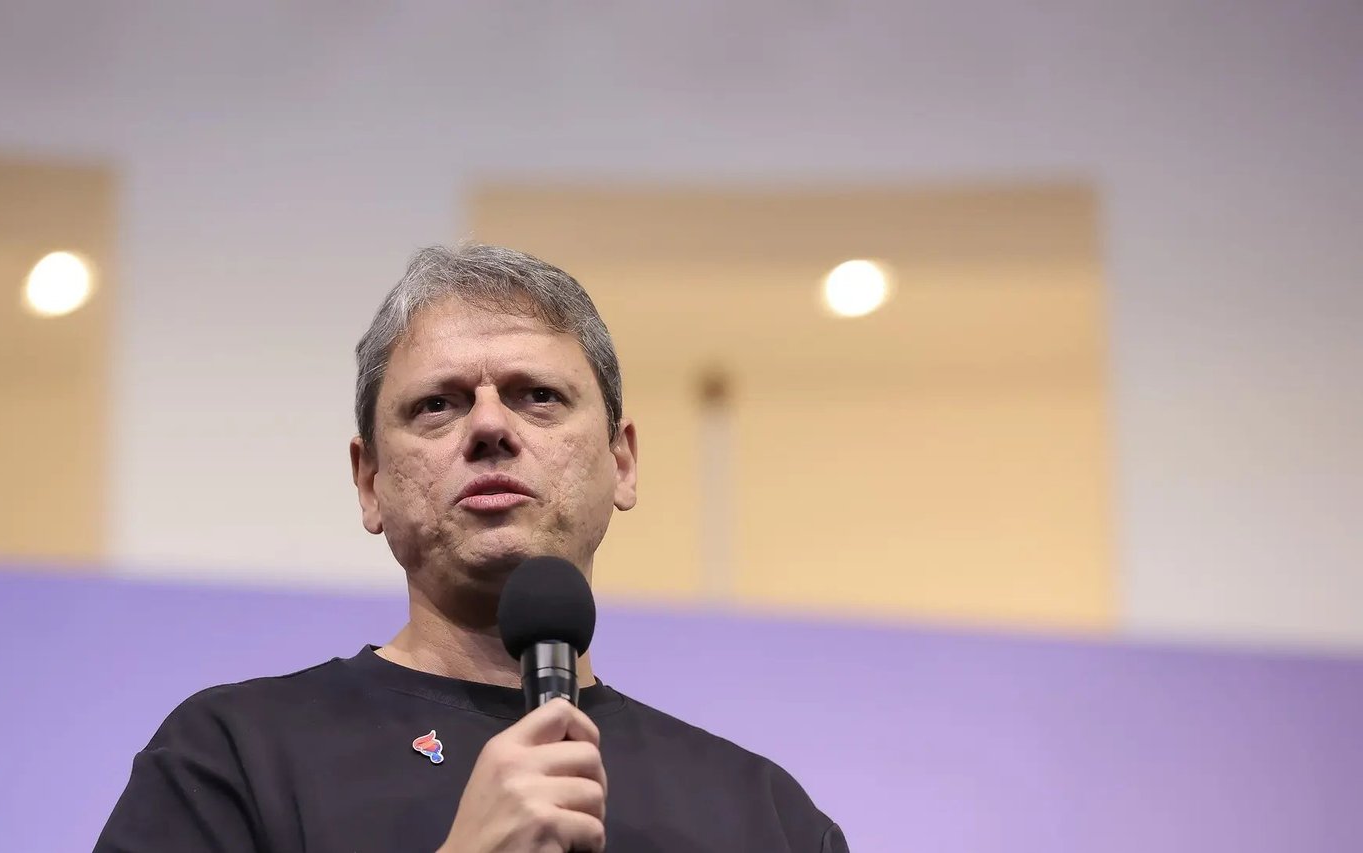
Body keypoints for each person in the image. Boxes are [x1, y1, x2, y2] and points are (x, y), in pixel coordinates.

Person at [94, 244, 849, 852]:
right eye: (438, 404)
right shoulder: (233, 759)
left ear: (621, 462)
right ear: (369, 482)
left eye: (537, 396)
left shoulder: (765, 819)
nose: (489, 427)